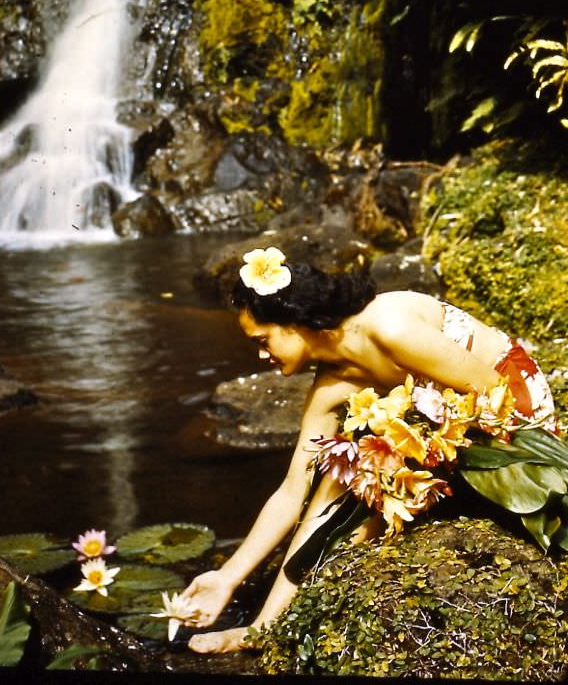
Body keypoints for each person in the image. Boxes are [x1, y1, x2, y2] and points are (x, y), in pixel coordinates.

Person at [180, 246, 559, 654]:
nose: (260, 354)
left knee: (370, 471)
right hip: (441, 430)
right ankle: (263, 628)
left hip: (508, 411)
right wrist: (227, 577)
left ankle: (275, 620)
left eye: (263, 340)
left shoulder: (389, 328)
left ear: (293, 322)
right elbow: (292, 490)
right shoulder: (330, 387)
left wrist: (416, 443)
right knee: (336, 479)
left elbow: (492, 392)